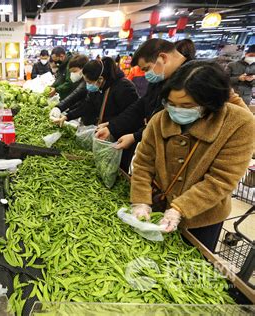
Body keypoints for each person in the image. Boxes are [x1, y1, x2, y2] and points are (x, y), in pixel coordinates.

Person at [130, 61, 255, 251]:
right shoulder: (160, 119)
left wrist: (179, 209)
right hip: (160, 205)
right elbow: (143, 163)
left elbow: (221, 180)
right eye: (171, 103)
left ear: (210, 102)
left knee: (187, 268)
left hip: (202, 217)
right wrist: (141, 200)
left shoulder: (239, 123)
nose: (176, 110)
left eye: (187, 105)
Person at [95, 39, 192, 151]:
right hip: (153, 144)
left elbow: (168, 123)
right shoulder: (161, 78)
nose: (146, 75)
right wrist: (112, 127)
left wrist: (135, 136)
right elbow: (140, 106)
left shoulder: (191, 79)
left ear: (163, 58)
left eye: (146, 69)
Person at [53, 58, 139, 172]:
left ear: (100, 79)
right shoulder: (99, 87)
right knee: (101, 166)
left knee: (115, 169)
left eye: (88, 82)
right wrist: (67, 116)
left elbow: (132, 115)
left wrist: (111, 125)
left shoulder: (124, 87)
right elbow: (88, 106)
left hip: (121, 137)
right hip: (105, 134)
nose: (88, 86)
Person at [49, 54, 89, 119]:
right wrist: (59, 107)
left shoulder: (88, 83)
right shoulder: (80, 82)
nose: (72, 74)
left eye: (74, 71)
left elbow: (85, 104)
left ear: (83, 69)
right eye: (71, 72)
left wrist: (67, 114)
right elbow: (75, 96)